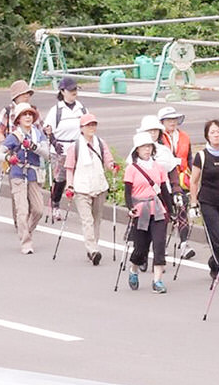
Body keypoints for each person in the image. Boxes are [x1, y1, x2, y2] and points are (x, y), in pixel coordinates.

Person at [63, 111, 116, 265]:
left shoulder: (100, 143)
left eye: (94, 124)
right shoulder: (75, 147)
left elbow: (108, 159)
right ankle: (93, 249)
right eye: (88, 125)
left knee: (96, 220)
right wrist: (70, 185)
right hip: (81, 188)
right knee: (87, 220)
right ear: (81, 128)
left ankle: (93, 248)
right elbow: (69, 168)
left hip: (99, 186)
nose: (92, 127)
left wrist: (112, 166)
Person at [122, 131, 172, 292]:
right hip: (140, 211)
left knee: (159, 245)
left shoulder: (159, 167)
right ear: (137, 149)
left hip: (158, 210)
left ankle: (157, 281)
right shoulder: (132, 169)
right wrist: (130, 208)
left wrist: (171, 211)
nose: (147, 150)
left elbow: (164, 190)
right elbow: (127, 192)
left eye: (149, 146)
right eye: (143, 147)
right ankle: (134, 269)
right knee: (141, 248)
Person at [189, 119, 219, 284]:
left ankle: (214, 263)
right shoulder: (201, 156)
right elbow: (193, 181)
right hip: (207, 201)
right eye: (212, 132)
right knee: (216, 235)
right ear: (207, 135)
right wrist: (193, 204)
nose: (216, 135)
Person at [2, 102, 48, 253]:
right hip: (18, 174)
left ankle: (26, 231)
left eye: (30, 114)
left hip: (33, 174)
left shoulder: (38, 134)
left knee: (38, 210)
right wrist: (9, 158)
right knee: (22, 210)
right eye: (24, 115)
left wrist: (33, 146)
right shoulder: (14, 136)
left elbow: (47, 154)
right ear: (18, 119)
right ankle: (26, 242)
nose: (28, 117)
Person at [42, 77, 89, 219]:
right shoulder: (56, 110)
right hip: (60, 149)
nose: (74, 92)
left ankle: (84, 208)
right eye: (71, 90)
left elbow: (88, 126)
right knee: (61, 179)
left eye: (75, 89)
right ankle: (55, 203)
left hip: (77, 147)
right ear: (62, 91)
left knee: (80, 177)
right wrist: (54, 142)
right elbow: (47, 129)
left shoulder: (82, 108)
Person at [156, 106, 196, 260]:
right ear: (162, 122)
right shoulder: (159, 138)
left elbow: (190, 157)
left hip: (182, 179)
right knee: (165, 213)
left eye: (174, 119)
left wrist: (194, 175)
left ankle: (185, 244)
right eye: (168, 119)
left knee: (182, 210)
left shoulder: (184, 136)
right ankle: (161, 244)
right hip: (164, 180)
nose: (172, 122)